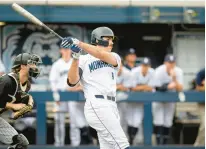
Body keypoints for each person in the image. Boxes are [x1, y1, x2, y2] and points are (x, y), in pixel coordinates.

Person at [61, 26, 130, 149]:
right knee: (122, 145)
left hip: (112, 106)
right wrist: (75, 58)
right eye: (108, 39)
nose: (112, 42)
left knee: (109, 147)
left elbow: (100, 54)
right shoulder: (83, 59)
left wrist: (78, 43)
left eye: (112, 39)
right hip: (97, 104)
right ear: (98, 40)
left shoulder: (115, 57)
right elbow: (72, 82)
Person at [49, 48, 91, 147]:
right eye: (64, 49)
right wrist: (56, 96)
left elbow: (82, 79)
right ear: (60, 50)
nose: (66, 51)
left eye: (68, 49)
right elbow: (53, 81)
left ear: (71, 51)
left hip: (73, 94)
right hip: (61, 94)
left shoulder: (75, 62)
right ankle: (59, 144)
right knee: (59, 121)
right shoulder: (57, 64)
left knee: (74, 121)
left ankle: (75, 144)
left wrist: (78, 88)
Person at [0, 53, 42, 149]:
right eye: (32, 64)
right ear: (22, 66)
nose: (35, 67)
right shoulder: (7, 80)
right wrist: (12, 106)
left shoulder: (26, 85)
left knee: (20, 143)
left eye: (35, 64)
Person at [152, 54, 183, 145]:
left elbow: (180, 88)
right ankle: (158, 145)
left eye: (173, 63)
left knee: (168, 122)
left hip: (170, 99)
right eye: (169, 62)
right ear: (165, 62)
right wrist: (168, 86)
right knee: (158, 121)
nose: (171, 65)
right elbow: (155, 87)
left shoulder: (178, 71)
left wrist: (174, 78)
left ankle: (164, 145)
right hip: (158, 99)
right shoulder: (159, 71)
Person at [127, 57, 154, 145]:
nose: (145, 67)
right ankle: (129, 141)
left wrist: (140, 87)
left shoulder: (152, 72)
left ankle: (131, 141)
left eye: (147, 65)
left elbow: (152, 87)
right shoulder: (134, 72)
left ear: (149, 66)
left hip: (141, 101)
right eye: (143, 65)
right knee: (129, 121)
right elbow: (132, 88)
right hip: (131, 100)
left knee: (137, 122)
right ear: (141, 65)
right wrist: (145, 86)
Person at [194, 68, 205, 146]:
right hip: (203, 103)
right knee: (205, 126)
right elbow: (198, 88)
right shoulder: (202, 72)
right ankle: (197, 146)